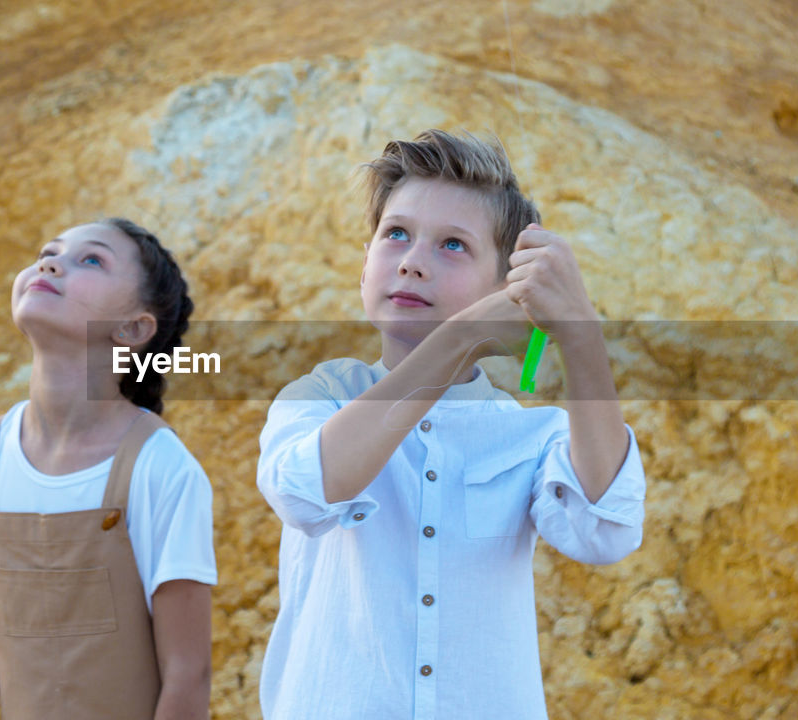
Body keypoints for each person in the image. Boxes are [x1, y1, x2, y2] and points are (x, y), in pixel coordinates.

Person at [256, 130, 646, 719]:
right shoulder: (318, 398)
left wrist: (580, 331)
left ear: (506, 288)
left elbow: (605, 529)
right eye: (396, 234)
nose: (412, 261)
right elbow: (307, 491)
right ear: (365, 264)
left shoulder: (531, 437)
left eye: (454, 246)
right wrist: (460, 336)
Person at [0, 218, 215, 720]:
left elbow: (188, 675)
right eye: (48, 251)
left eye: (91, 260)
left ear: (132, 330)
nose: (50, 262)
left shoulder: (159, 466)